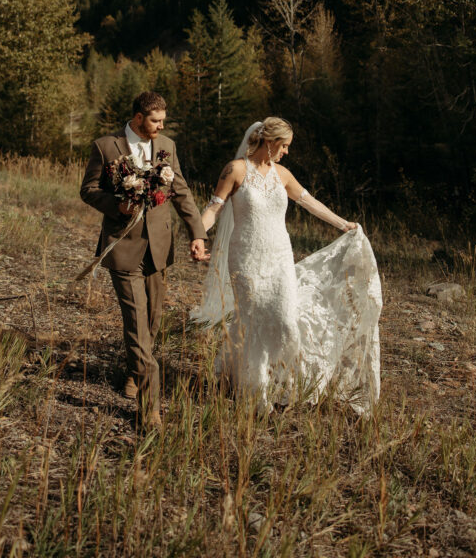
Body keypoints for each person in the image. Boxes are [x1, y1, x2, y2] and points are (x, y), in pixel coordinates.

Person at [191, 118, 382, 413]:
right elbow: (214, 207)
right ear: (270, 142)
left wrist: (343, 224)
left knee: (285, 322)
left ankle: (282, 380)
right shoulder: (236, 170)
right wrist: (199, 236)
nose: (287, 152)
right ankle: (256, 395)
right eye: (285, 146)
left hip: (280, 257)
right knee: (253, 321)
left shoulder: (283, 174)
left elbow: (310, 202)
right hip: (246, 257)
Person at [80, 91, 208, 429]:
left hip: (159, 247)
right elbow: (88, 190)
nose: (161, 126)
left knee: (151, 321)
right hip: (123, 246)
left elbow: (180, 190)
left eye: (163, 120)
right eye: (155, 120)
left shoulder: (166, 145)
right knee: (137, 323)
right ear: (138, 118)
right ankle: (149, 407)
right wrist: (116, 205)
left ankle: (134, 371)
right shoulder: (105, 146)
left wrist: (197, 233)